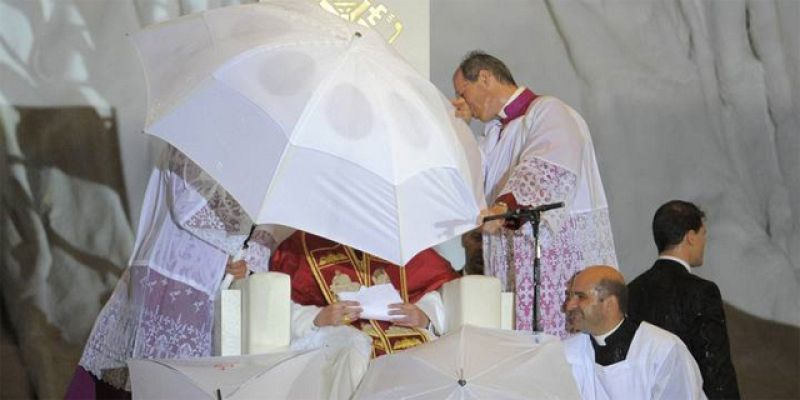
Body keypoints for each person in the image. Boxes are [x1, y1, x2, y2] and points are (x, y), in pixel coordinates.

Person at [65, 146, 275, 399]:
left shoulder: (257, 154)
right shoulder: (195, 135)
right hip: (171, 272)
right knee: (147, 380)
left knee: (184, 382)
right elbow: (187, 204)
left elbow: (268, 220)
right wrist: (236, 244)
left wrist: (249, 257)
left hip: (207, 285)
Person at [451, 50, 617, 335]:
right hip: (514, 261)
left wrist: (504, 208)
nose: (461, 102)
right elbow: (466, 177)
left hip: (554, 258)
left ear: (485, 78)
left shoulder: (548, 110)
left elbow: (546, 168)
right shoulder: (494, 134)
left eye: (463, 93)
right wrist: (459, 127)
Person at [269, 230, 459, 357]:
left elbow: (440, 290)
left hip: (407, 341)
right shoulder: (298, 249)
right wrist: (316, 318)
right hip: (341, 344)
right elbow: (276, 308)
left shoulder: (402, 241)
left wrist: (424, 315)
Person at [628, 200, 740, 399]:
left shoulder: (632, 290)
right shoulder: (702, 291)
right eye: (703, 234)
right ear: (690, 237)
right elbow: (715, 366)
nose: (704, 242)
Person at [563, 265, 706, 400]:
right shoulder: (567, 353)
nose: (569, 306)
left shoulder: (663, 350)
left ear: (610, 304)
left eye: (580, 297)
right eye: (570, 297)